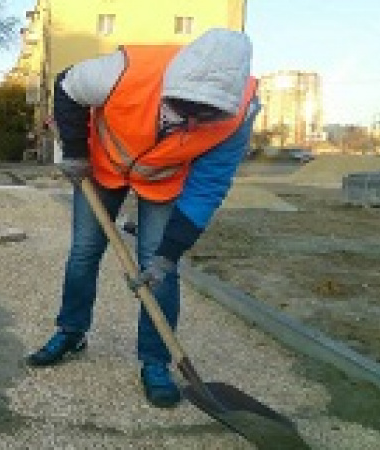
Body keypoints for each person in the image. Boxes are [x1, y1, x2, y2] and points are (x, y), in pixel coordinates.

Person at [27, 28, 260, 409]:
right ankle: (71, 331)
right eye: (183, 106)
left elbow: (207, 189)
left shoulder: (241, 113)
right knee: (85, 251)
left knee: (160, 270)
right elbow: (67, 86)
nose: (189, 120)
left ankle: (155, 361)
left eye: (204, 113)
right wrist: (74, 152)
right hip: (101, 168)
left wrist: (170, 253)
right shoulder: (125, 69)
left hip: (164, 181)